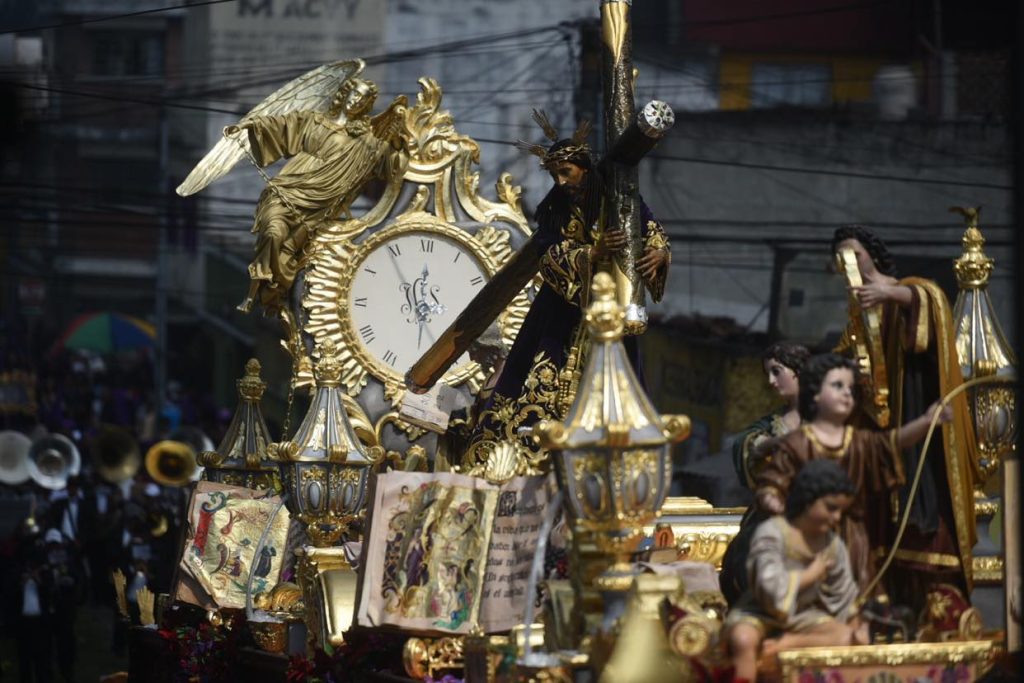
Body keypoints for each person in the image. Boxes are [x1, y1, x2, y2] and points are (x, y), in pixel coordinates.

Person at [466, 111, 670, 459]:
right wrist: (592, 252)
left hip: (612, 313)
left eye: (566, 173)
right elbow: (547, 255)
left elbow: (651, 231)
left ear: (585, 169)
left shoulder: (620, 200)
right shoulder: (553, 210)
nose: (560, 182)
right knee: (531, 387)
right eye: (554, 175)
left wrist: (659, 254)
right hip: (561, 311)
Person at [831, 226, 978, 605]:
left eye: (856, 256)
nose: (852, 266)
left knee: (920, 493)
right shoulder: (855, 318)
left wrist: (889, 293)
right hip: (878, 430)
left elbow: (929, 301)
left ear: (873, 256)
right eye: (842, 260)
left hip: (914, 409)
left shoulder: (905, 290)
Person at [755, 353, 950, 596]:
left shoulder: (857, 441)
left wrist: (925, 422)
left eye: (850, 387)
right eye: (838, 386)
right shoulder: (798, 443)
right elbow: (772, 485)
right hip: (807, 537)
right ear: (814, 392)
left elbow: (893, 442)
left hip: (852, 540)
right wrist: (781, 510)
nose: (847, 393)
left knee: (858, 599)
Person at [223, 76, 409, 314]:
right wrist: (248, 126)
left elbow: (393, 164)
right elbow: (280, 125)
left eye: (362, 99)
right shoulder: (314, 122)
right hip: (288, 188)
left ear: (367, 105)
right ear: (344, 96)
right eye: (354, 95)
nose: (356, 101)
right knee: (273, 232)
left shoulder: (366, 142)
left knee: (290, 249)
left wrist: (401, 138)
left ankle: (274, 289)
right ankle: (259, 284)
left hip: (321, 204)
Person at [724, 460, 866, 682]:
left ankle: (786, 644)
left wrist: (857, 627)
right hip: (759, 612)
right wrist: (811, 574)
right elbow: (768, 587)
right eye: (831, 508)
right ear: (808, 500)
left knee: (845, 636)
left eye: (841, 511)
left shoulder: (831, 544)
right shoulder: (773, 533)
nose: (837, 517)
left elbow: (844, 594)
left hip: (805, 616)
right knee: (743, 639)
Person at [720, 342, 809, 606]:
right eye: (768, 374)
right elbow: (747, 444)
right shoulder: (772, 425)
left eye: (776, 371)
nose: (771, 381)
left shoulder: (828, 416)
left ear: (798, 371)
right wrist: (768, 444)